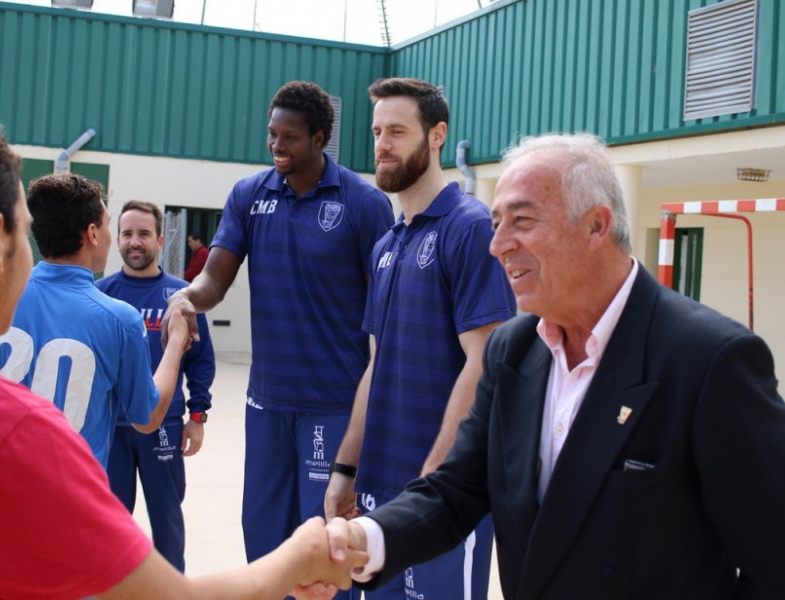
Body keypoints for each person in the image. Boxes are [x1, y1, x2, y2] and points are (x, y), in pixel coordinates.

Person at [0, 104, 366, 599]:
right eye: (24, 230)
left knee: (166, 522)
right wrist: (298, 559)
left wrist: (195, 406)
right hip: (122, 450)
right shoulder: (17, 427)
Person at [324, 132, 785, 598]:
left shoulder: (712, 360)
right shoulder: (513, 350)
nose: (497, 245)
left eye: (521, 221)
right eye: (496, 222)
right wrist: (362, 540)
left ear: (596, 227)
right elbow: (455, 490)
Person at [166, 81, 394, 589]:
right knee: (264, 536)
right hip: (266, 402)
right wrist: (185, 297)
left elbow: (386, 304)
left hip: (333, 403)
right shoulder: (249, 195)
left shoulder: (362, 203)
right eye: (272, 135)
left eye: (289, 137)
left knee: (324, 538)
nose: (276, 146)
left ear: (318, 138)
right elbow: (213, 282)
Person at [323, 78, 515, 599]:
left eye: (398, 131)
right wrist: (346, 466)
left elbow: (485, 363)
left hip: (445, 496)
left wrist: (434, 483)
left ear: (436, 136)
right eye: (377, 131)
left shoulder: (470, 228)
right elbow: (376, 365)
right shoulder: (387, 244)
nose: (382, 144)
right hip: (380, 492)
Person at [0, 173, 188, 469]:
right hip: (68, 493)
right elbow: (148, 417)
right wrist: (176, 341)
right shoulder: (120, 319)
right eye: (107, 224)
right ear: (91, 233)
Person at [96, 200, 216, 572]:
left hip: (164, 425)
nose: (135, 242)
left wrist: (197, 414)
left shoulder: (181, 298)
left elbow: (200, 359)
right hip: (111, 428)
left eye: (144, 234)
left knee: (167, 522)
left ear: (160, 241)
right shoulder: (101, 293)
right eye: (128, 233)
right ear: (117, 240)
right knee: (110, 524)